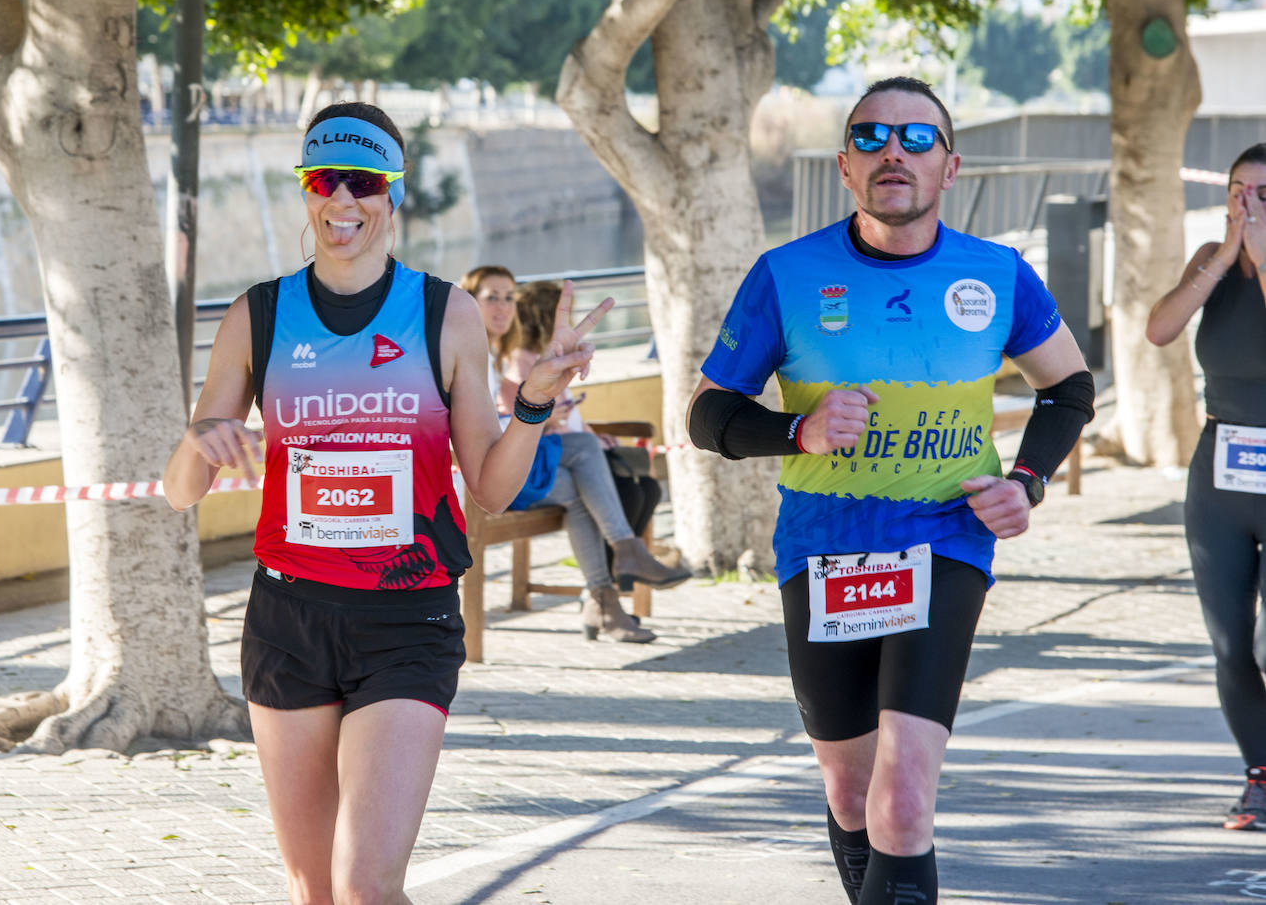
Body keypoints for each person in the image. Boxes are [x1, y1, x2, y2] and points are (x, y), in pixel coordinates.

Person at [162, 102, 611, 905]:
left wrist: (534, 404)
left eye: (363, 182)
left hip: (407, 617)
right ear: (304, 190)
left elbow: (493, 486)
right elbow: (177, 492)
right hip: (288, 617)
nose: (342, 201)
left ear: (392, 194)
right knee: (314, 890)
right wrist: (202, 438)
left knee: (366, 884)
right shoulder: (257, 316)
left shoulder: (447, 313)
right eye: (323, 179)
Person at [687, 76, 1094, 904]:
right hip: (822, 545)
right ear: (845, 166)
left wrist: (1027, 481)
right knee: (850, 791)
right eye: (871, 138)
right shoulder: (786, 275)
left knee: (903, 799)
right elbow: (707, 414)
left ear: (951, 166)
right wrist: (795, 429)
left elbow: (1069, 389)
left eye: (915, 139)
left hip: (943, 537)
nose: (893, 152)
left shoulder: (999, 275)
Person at [459, 267, 687, 644]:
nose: (502, 307)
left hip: (507, 468)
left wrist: (538, 413)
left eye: (509, 297)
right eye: (491, 297)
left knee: (586, 485)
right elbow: (472, 429)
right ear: (469, 302)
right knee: (584, 456)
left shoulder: (490, 356)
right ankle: (622, 560)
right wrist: (535, 416)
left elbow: (499, 420)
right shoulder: (469, 354)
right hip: (477, 478)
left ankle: (604, 599)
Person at [1146, 143, 1266, 832]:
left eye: (1262, 193)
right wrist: (1225, 255)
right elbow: (1160, 329)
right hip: (1222, 466)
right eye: (1236, 191)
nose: (1247, 205)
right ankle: (1259, 773)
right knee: (1229, 640)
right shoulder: (1208, 260)